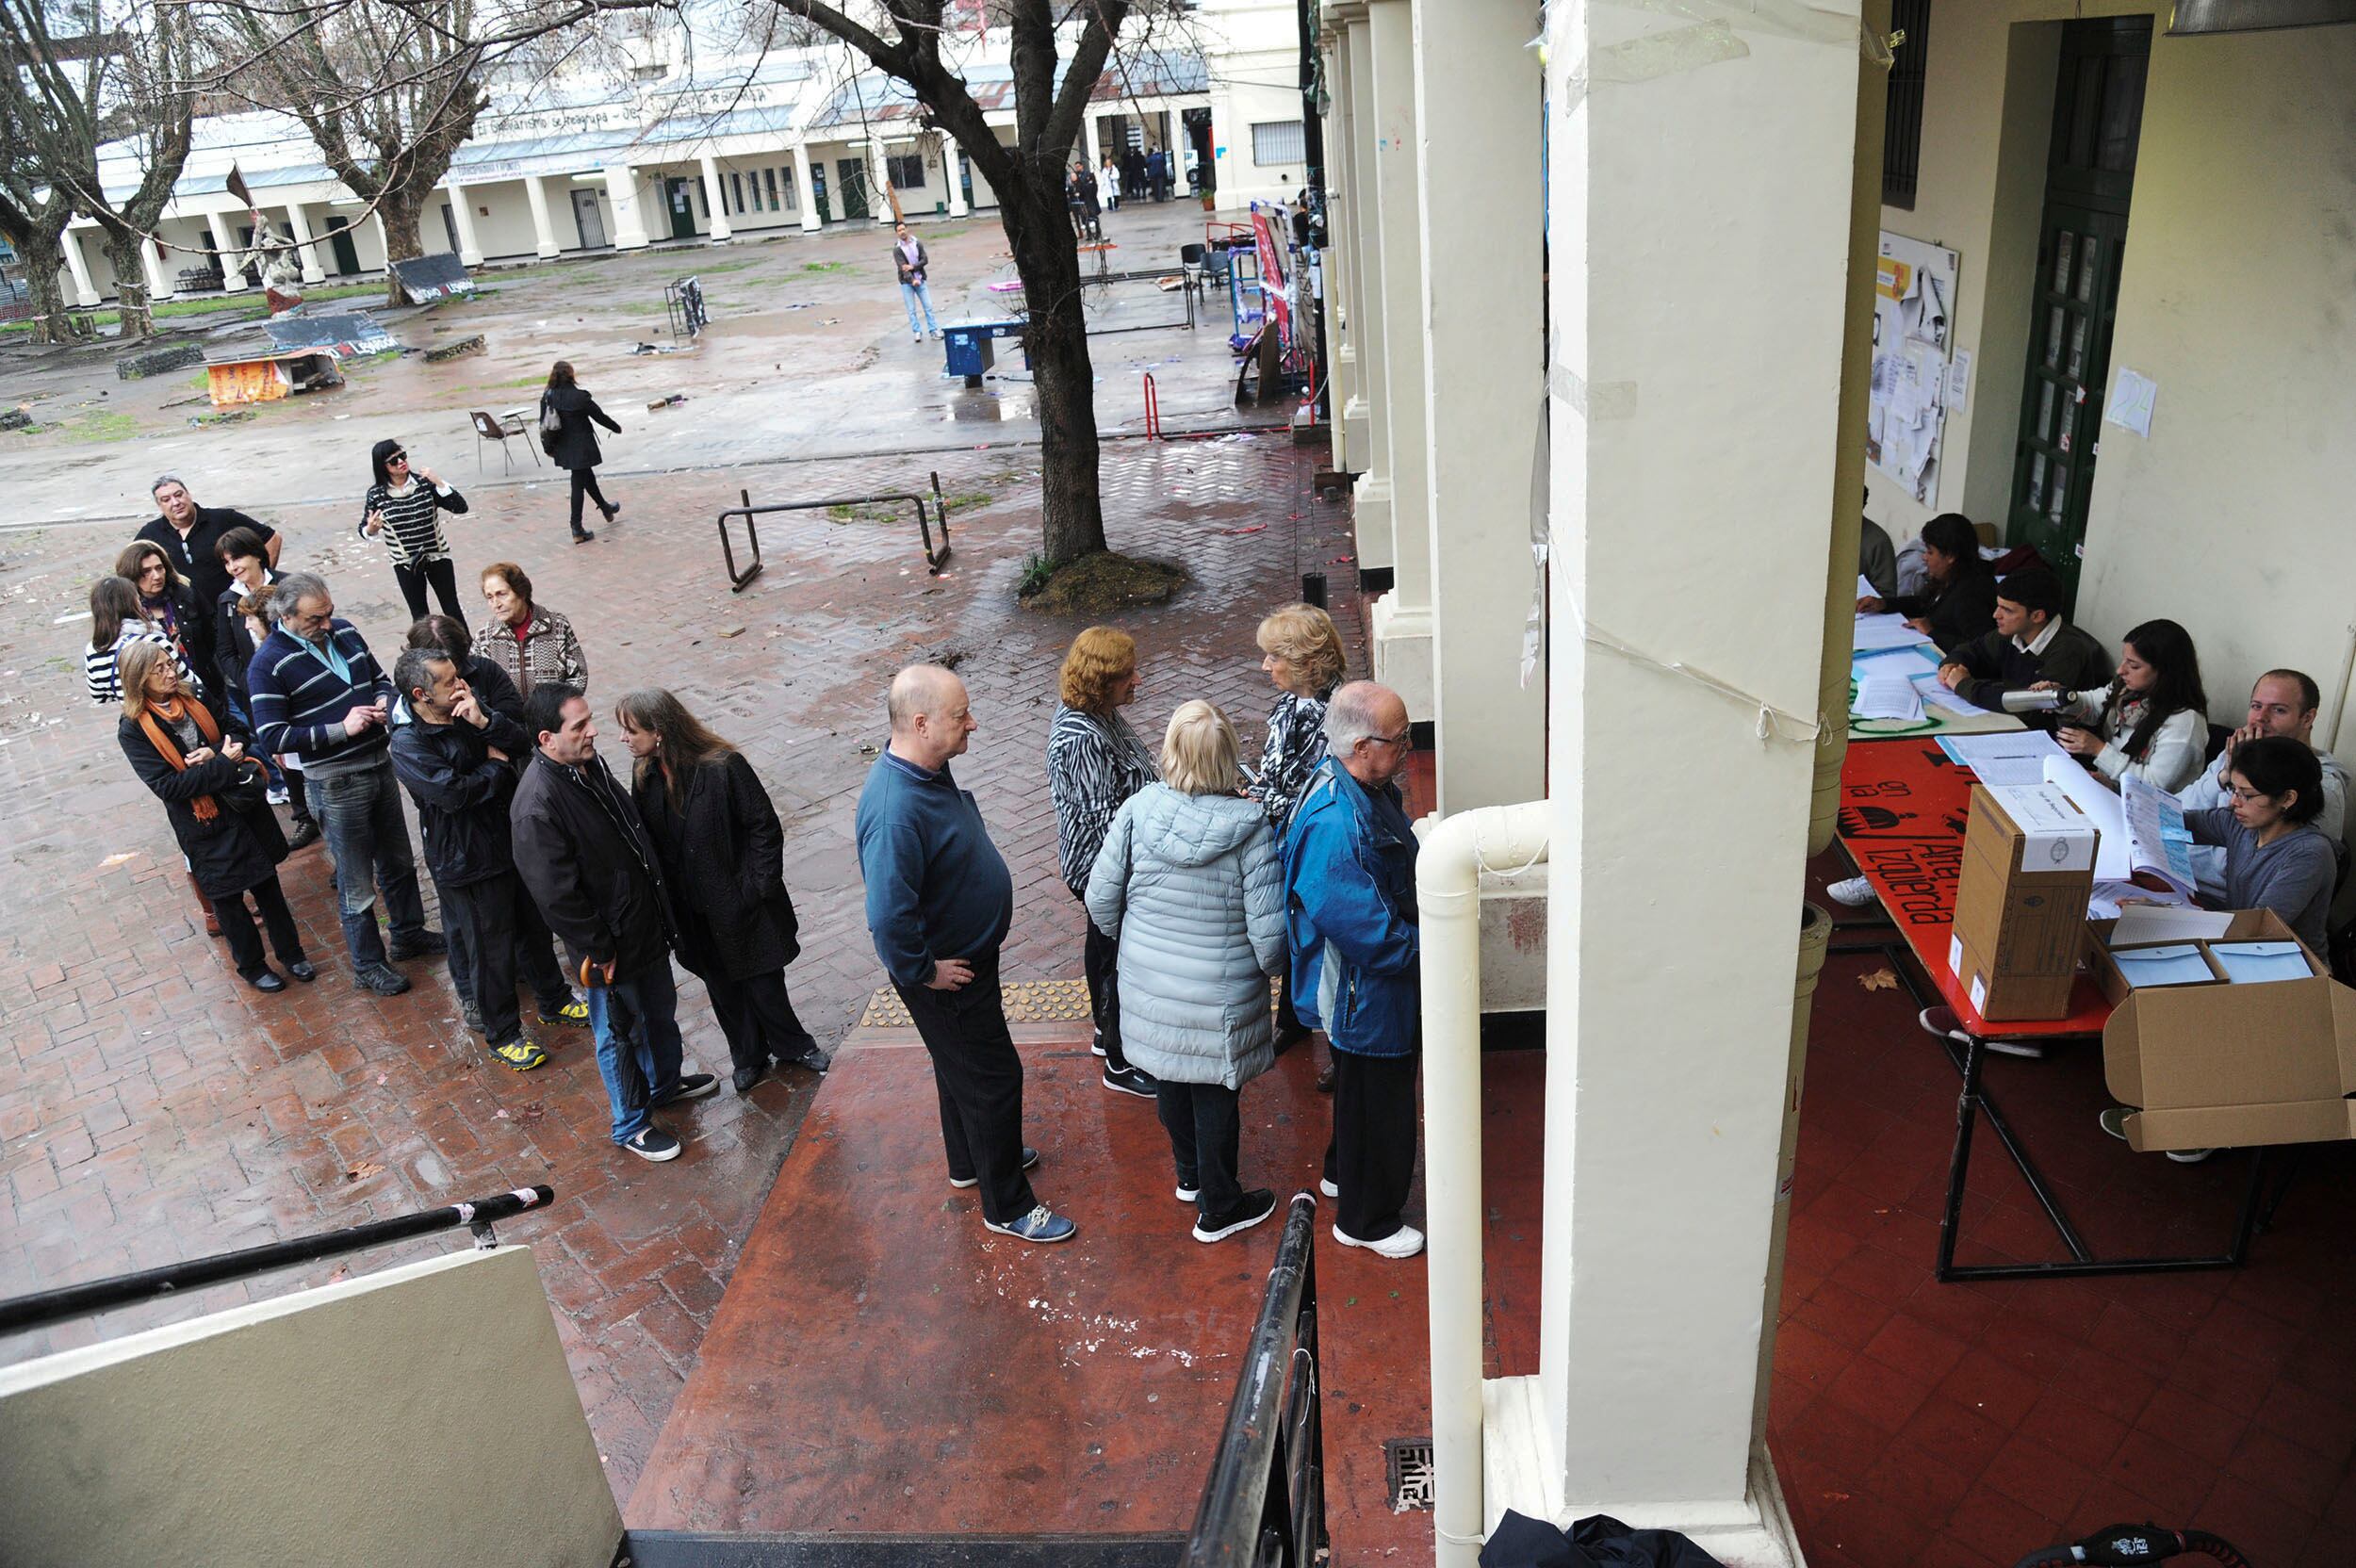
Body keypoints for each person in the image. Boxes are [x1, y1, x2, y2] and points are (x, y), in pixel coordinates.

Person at [855, 664, 1073, 1244]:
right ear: (921, 723)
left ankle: (970, 1162)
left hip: (965, 957)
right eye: (960, 716)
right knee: (992, 1077)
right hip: (949, 974)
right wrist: (924, 971)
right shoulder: (895, 810)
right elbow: (887, 916)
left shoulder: (927, 767)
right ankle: (1007, 1205)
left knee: (960, 1069)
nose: (972, 722)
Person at [1085, 700, 1285, 1244]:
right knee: (1216, 1094)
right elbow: (1269, 940)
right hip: (1218, 996)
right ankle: (1220, 1207)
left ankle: (1190, 1175)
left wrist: (1135, 945)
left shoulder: (1139, 808)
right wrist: (1278, 972)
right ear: (1228, 758)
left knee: (1171, 1076)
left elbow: (1101, 901)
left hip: (1149, 985)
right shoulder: (1250, 829)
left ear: (1171, 752)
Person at [512, 682, 718, 1161]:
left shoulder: (586, 765)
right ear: (547, 739)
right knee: (620, 1035)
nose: (593, 732)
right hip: (607, 949)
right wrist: (598, 948)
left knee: (660, 1014)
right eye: (579, 726)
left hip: (642, 927)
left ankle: (663, 1085)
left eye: (588, 720)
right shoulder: (537, 806)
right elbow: (557, 896)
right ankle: (631, 1123)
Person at [616, 688, 829, 1093]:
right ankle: (747, 1055)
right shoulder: (645, 775)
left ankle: (793, 1045)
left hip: (740, 903)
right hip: (692, 911)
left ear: (658, 730)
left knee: (764, 983)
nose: (624, 739)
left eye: (631, 730)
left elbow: (763, 828)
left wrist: (753, 890)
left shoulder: (723, 767)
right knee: (721, 986)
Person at [245, 570, 443, 994]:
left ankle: (408, 932)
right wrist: (342, 728)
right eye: (316, 619)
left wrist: (384, 702)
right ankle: (367, 964)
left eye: (329, 614)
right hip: (334, 782)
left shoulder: (346, 633)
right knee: (356, 881)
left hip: (377, 764)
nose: (327, 625)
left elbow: (383, 682)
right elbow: (273, 737)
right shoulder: (267, 664)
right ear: (287, 616)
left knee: (398, 862)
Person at [388, 647, 585, 1070]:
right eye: (449, 681)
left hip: (507, 840)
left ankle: (555, 999)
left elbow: (520, 743)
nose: (461, 684)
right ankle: (503, 1033)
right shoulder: (407, 742)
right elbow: (452, 794)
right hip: (467, 860)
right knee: (490, 948)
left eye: (459, 676)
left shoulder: (467, 706)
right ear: (422, 694)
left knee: (534, 928)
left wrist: (485, 722)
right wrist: (496, 770)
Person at [1282, 681, 1425, 1260]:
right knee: (1379, 1105)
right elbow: (1375, 937)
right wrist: (1438, 947)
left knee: (1360, 1101)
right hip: (1366, 1000)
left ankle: (1344, 1174)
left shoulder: (1358, 785)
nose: (1410, 747)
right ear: (1362, 745)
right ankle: (1366, 1220)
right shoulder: (1339, 823)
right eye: (1400, 738)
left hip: (1361, 995)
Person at [116, 640, 314, 992]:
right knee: (228, 899)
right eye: (158, 669)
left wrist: (218, 750)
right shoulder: (134, 728)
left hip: (243, 806)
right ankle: (252, 967)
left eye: (169, 663)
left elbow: (236, 730)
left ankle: (292, 953)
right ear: (139, 679)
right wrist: (223, 763)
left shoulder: (197, 697)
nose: (170, 672)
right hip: (204, 823)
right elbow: (168, 786)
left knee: (268, 886)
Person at [1046, 628, 1163, 1100]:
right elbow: (1105, 824)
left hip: (1108, 865)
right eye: (1125, 675)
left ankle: (1102, 1030)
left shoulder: (1101, 713)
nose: (1137, 679)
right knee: (1116, 959)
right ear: (1101, 682)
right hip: (1103, 869)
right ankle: (1119, 1061)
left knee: (1101, 944)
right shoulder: (1082, 738)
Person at [1247, 603, 1348, 1072]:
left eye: (1274, 657)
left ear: (1306, 661)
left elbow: (1325, 800)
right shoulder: (1288, 703)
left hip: (1323, 850)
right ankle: (1293, 1018)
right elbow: (1276, 772)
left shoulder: (1343, 714)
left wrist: (1264, 800)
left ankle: (1338, 1041)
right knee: (1293, 930)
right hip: (1285, 843)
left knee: (1329, 940)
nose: (1266, 666)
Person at [2174, 669, 2349, 901]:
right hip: (2181, 876)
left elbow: (2239, 864)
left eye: (2278, 710)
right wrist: (2225, 774)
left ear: (2307, 718)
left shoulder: (2321, 784)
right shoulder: (2242, 751)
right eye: (2256, 706)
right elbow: (2178, 808)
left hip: (2220, 898)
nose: (2260, 718)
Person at [213, 530, 319, 844]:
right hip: (258, 692)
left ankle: (321, 810)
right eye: (227, 562)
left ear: (257, 554)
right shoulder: (229, 600)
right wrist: (253, 684)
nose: (234, 567)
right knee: (281, 753)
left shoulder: (289, 586)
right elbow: (226, 651)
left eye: (238, 558)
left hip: (299, 685)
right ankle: (303, 815)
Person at [2038, 619, 2210, 792]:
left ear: (2165, 672)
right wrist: (2060, 697)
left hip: (2147, 809)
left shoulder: (2184, 721)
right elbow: (2092, 704)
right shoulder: (2127, 690)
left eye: (2134, 665)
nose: (2121, 670)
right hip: (2109, 789)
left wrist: (2098, 750)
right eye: (2124, 660)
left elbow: (2155, 786)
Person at [1935, 564, 2113, 714]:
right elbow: (1972, 649)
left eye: (2007, 610)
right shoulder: (2012, 631)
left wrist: (1964, 685)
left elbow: (2030, 704)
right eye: (1998, 606)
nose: (1996, 615)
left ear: (2037, 616)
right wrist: (1951, 665)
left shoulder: (2068, 649)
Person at [358, 438, 470, 622]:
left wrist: (440, 483)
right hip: (405, 562)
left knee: (452, 608)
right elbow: (364, 528)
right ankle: (425, 651)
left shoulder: (425, 483)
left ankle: (464, 648)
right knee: (419, 615)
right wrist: (370, 529)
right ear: (382, 466)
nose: (401, 462)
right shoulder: (376, 494)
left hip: (437, 555)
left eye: (402, 456)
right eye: (393, 460)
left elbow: (460, 508)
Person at [1855, 513, 1995, 653]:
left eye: (1930, 552)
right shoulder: (1948, 578)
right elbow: (1924, 603)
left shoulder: (1971, 594)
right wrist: (1884, 604)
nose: (1924, 557)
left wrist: (1932, 633)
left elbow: (1981, 647)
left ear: (1950, 556)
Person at [138, 474, 278, 611]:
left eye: (179, 495)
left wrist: (260, 583)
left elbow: (272, 538)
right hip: (189, 616)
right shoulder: (150, 533)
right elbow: (130, 567)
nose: (175, 503)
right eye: (166, 499)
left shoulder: (224, 519)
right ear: (159, 506)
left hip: (235, 607)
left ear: (189, 494)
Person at [115, 540, 213, 703]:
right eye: (146, 571)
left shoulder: (185, 595)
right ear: (132, 575)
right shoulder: (127, 614)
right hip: (157, 697)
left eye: (159, 568)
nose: (157, 576)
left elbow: (210, 634)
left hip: (202, 683)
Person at [476, 562, 589, 697]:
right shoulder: (485, 638)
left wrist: (560, 709)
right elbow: (478, 688)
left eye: (502, 594)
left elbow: (578, 675)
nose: (496, 604)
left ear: (521, 593)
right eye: (490, 597)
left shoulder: (557, 625)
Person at [541, 361, 623, 544]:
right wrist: (616, 427)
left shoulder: (548, 396)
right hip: (582, 446)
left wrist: (548, 447)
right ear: (571, 375)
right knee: (578, 484)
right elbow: (598, 415)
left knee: (586, 476)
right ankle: (576, 527)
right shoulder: (580, 397)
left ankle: (605, 508)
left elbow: (543, 424)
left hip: (562, 446)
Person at [84, 575, 195, 706]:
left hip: (132, 720)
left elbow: (99, 697)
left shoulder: (93, 650)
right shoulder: (153, 642)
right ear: (132, 603)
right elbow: (190, 683)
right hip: (165, 714)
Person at [892, 222, 941, 342]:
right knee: (911, 309)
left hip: (921, 279)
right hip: (906, 283)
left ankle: (933, 330)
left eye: (903, 229)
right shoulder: (897, 249)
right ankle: (917, 331)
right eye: (899, 230)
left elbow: (925, 259)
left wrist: (913, 267)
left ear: (907, 229)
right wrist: (912, 280)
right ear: (897, 233)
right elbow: (903, 268)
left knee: (928, 306)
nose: (902, 232)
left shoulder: (917, 243)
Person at [1068, 162, 1101, 241]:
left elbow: (1093, 187)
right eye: (1076, 167)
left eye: (1078, 166)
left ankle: (1098, 232)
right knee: (1084, 218)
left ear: (1082, 166)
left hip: (1090, 199)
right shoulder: (1077, 178)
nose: (1077, 168)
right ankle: (1089, 234)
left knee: (1093, 216)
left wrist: (1088, 194)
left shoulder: (1088, 174)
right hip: (1082, 201)